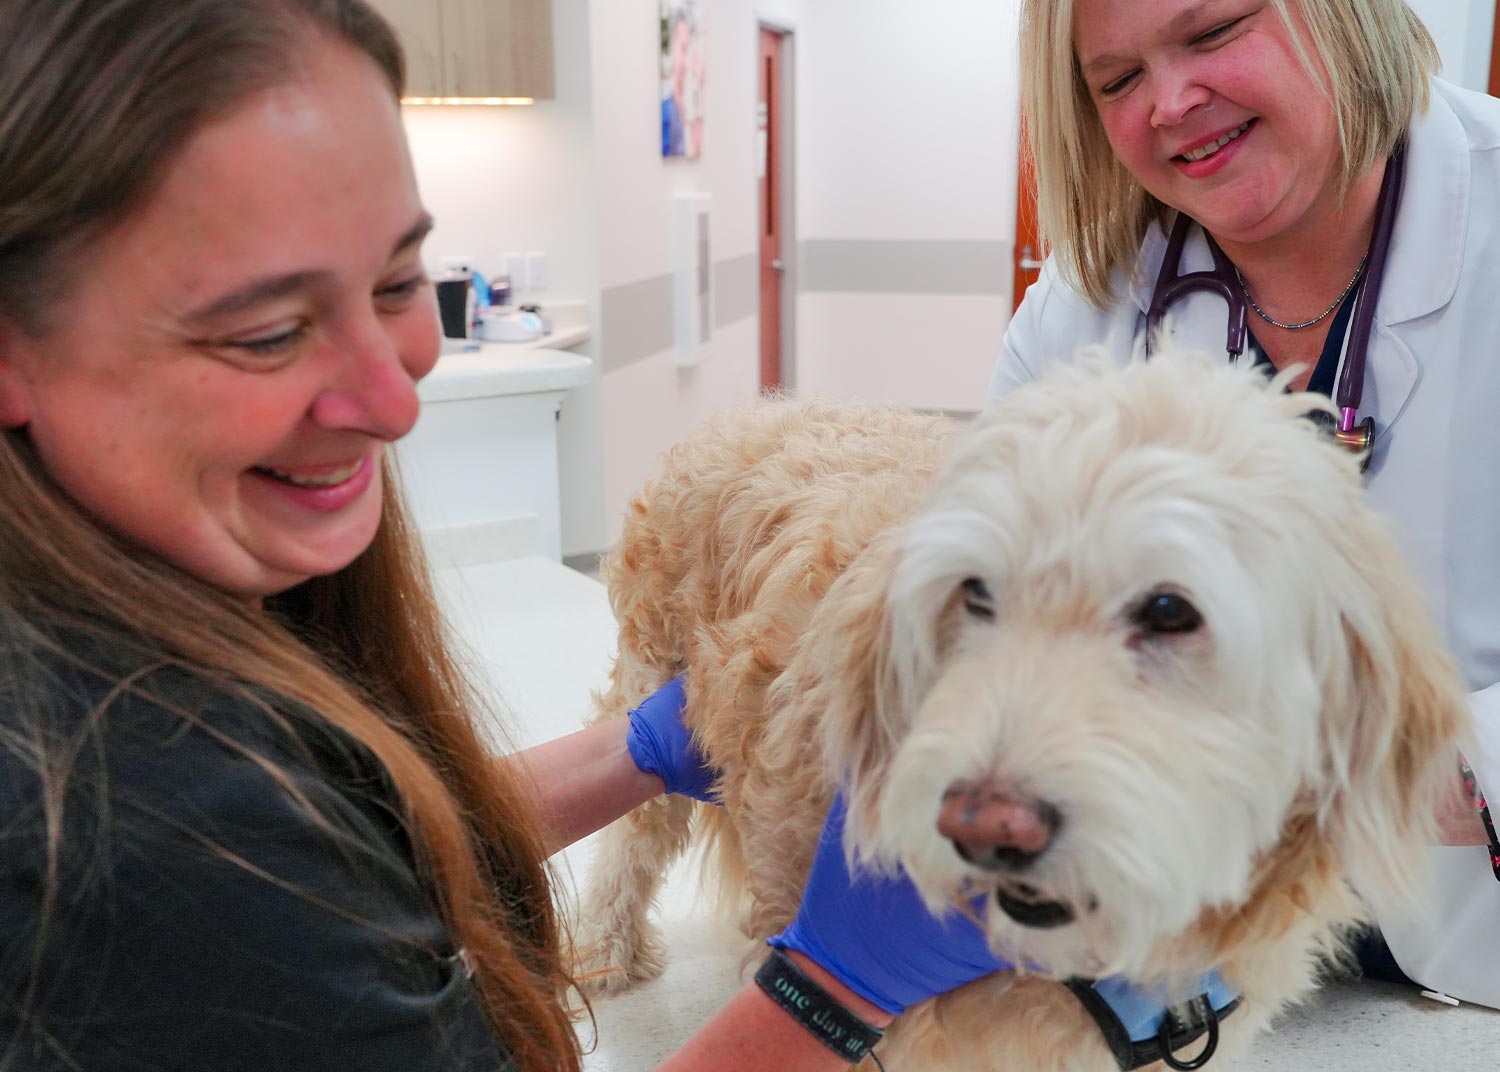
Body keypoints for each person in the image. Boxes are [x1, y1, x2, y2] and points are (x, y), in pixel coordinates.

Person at [0, 2, 1007, 1069]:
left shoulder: (208, 651)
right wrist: (831, 993)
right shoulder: (123, 829)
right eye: (266, 331)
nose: (394, 402)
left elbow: (360, 857)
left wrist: (635, 749)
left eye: (398, 283)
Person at [995, 0, 1500, 1009]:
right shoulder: (1084, 302)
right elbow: (994, 612)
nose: (1171, 103)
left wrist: (1405, 761)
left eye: (1214, 31)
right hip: (1175, 950)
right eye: (1118, 80)